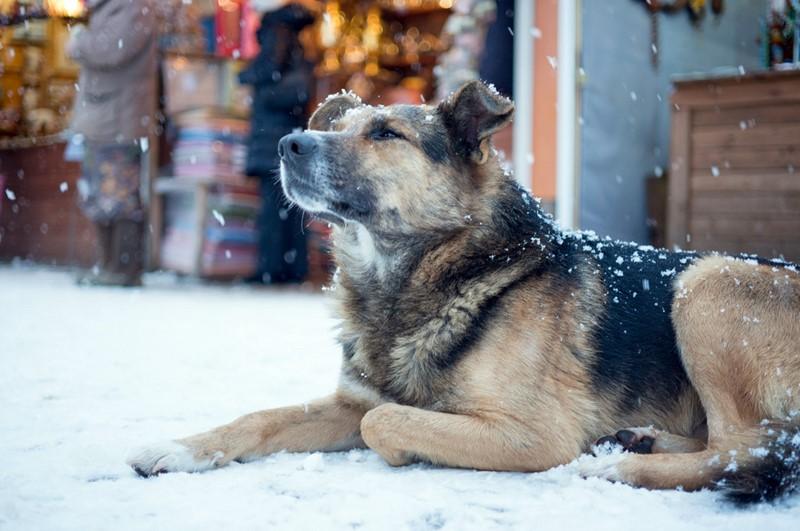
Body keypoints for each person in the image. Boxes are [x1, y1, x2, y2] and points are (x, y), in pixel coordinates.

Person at [67, 0, 157, 287]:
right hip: (106, 118)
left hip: (120, 119)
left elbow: (110, 50)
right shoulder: (118, 7)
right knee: (100, 195)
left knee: (119, 197)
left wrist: (79, 39)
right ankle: (107, 265)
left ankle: (123, 269)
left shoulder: (133, 7)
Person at [239, 0, 316, 284]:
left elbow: (270, 67)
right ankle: (294, 268)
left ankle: (271, 269)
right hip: (287, 127)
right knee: (291, 201)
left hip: (271, 130)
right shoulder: (292, 32)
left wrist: (246, 76)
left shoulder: (276, 28)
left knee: (274, 205)